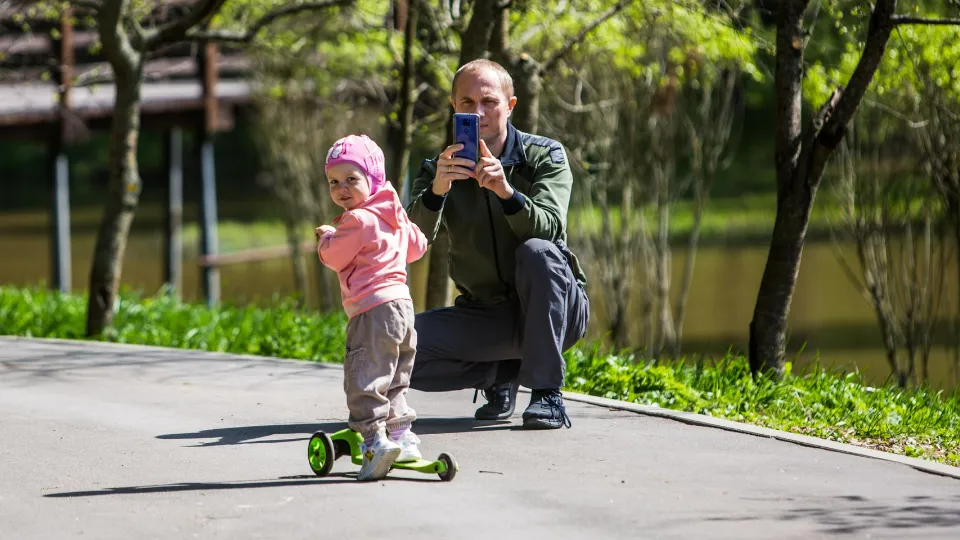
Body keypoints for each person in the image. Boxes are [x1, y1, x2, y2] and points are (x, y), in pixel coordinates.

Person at [406, 59, 589, 430]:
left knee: (538, 252)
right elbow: (409, 243)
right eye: (466, 103)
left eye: (488, 101)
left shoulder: (545, 156)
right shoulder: (435, 169)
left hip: (557, 312)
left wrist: (506, 191)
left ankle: (546, 393)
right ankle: (500, 372)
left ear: (510, 105)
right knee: (390, 347)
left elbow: (551, 230)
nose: (478, 112)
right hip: (486, 317)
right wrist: (438, 190)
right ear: (453, 108)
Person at [316, 134, 429, 481]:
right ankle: (401, 437)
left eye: (352, 179)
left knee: (364, 378)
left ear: (374, 179)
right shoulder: (393, 214)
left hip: (371, 309)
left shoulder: (358, 220)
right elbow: (418, 247)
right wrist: (402, 226)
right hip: (402, 309)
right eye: (335, 182)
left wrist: (325, 238)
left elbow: (334, 257)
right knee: (395, 377)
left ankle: (372, 441)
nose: (342, 189)